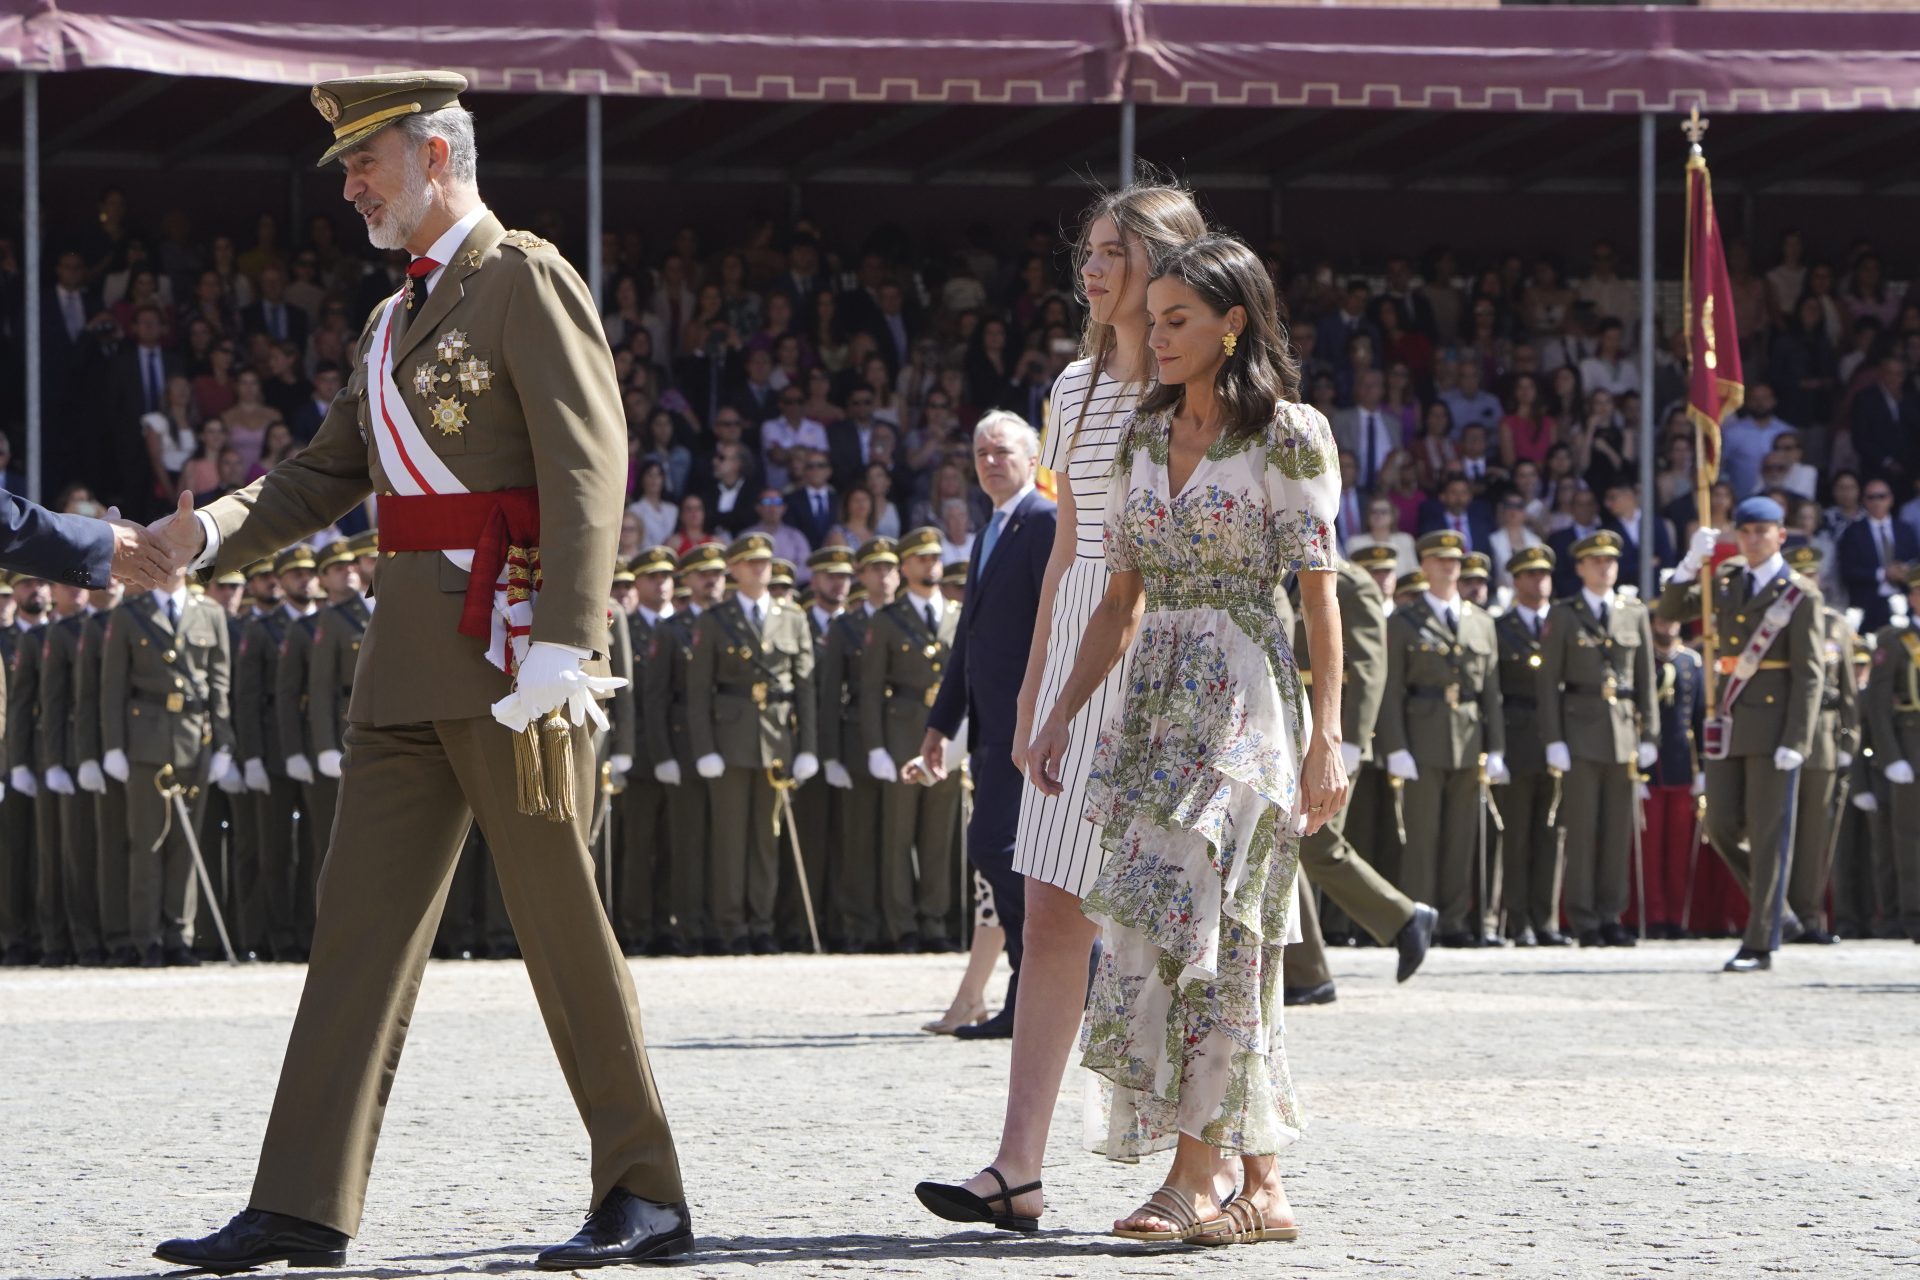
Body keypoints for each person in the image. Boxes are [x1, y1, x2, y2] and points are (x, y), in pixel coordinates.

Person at [150, 72, 692, 1272]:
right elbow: (320, 476)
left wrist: (566, 639)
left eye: (365, 162)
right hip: (404, 664)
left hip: (510, 658)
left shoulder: (526, 280)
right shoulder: (389, 322)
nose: (348, 187)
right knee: (355, 932)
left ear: (437, 155)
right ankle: (303, 1198)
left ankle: (645, 1189)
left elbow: (588, 462)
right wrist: (203, 536)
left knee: (562, 925)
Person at [1024, 233, 1343, 1244]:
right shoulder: (1139, 437)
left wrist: (1330, 737)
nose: (1153, 338)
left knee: (1210, 923)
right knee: (1209, 937)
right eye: (1149, 319)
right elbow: (1118, 601)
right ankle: (1265, 1186)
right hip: (1152, 701)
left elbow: (1321, 597)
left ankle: (1191, 1180)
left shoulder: (1289, 433)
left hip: (1245, 697)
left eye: (1175, 320)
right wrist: (1062, 711)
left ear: (1231, 322)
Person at [914, 180, 1208, 1238]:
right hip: (1078, 648)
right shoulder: (1076, 384)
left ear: (1167, 262)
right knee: (1049, 908)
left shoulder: (1196, 379)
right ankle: (1016, 1166)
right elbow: (1067, 551)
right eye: (1086, 250)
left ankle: (1214, 1166)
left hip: (1165, 647)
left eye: (1114, 252)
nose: (1091, 269)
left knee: (1181, 922)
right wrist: (1036, 688)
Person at [919, 409, 1057, 1036]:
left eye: (1002, 451)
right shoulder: (991, 530)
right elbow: (968, 645)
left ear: (1032, 459)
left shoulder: (1044, 522)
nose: (990, 461)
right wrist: (939, 728)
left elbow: (1058, 626)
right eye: (980, 453)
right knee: (1003, 853)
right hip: (992, 726)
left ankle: (1053, 980)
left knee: (1002, 850)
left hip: (1030, 724)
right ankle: (1031, 995)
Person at [1656, 496, 1824, 973]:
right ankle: (1780, 914)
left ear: (1780, 535)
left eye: (1761, 531)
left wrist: (1798, 738)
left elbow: (1809, 675)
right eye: (1745, 530)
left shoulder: (1799, 594)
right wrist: (1690, 563)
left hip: (1774, 729)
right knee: (1721, 825)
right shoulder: (1726, 578)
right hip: (1727, 723)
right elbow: (1669, 610)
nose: (1751, 539)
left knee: (1770, 837)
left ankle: (1759, 942)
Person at [1282, 558, 1437, 1005]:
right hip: (1297, 728)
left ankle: (1404, 919)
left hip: (1336, 735)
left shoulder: (1349, 582)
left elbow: (1369, 669)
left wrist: (1350, 741)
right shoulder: (1281, 568)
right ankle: (1306, 973)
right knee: (1295, 843)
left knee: (1316, 841)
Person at [687, 532, 818, 954]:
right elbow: (698, 691)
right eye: (751, 562)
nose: (760, 568)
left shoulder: (792, 617)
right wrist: (705, 747)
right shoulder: (715, 619)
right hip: (729, 740)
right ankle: (731, 926)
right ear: (735, 570)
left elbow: (806, 689)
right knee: (729, 839)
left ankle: (761, 923)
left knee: (767, 837)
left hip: (777, 740)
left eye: (765, 561)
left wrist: (809, 747)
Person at [100, 562, 232, 967]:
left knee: (186, 845)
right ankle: (147, 938)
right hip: (146, 740)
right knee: (148, 842)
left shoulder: (209, 612)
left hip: (194, 738)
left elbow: (219, 683)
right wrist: (114, 747)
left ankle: (180, 935)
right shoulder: (130, 613)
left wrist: (225, 743)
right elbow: (113, 686)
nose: (170, 568)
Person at [1380, 530, 1506, 949]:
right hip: (1422, 737)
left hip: (1469, 739)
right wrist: (1394, 745)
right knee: (1422, 836)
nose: (1450, 567)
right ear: (1424, 566)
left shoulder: (1481, 621)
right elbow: (1391, 687)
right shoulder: (1403, 622)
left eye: (1455, 560)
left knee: (1461, 835)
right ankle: (1421, 918)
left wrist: (1498, 746)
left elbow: (1491, 690)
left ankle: (1454, 921)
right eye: (1440, 560)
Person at [1539, 532, 1658, 947]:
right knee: (1584, 829)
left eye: (1610, 561)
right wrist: (1554, 738)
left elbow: (1646, 677)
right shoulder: (1565, 614)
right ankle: (1584, 918)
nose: (1605, 567)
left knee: (1617, 831)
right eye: (1596, 561)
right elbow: (1548, 682)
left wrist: (1650, 733)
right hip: (1579, 731)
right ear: (1581, 568)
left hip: (1623, 731)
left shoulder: (1634, 612)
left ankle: (1612, 915)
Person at [862, 526, 963, 951]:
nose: (931, 564)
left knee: (938, 834)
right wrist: (875, 746)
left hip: (950, 734)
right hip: (903, 729)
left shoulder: (958, 615)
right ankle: (900, 923)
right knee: (900, 834)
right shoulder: (888, 619)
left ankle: (935, 920)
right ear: (904, 566)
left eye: (935, 556)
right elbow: (870, 687)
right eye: (921, 558)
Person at [819, 537, 899, 952]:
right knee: (858, 839)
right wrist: (830, 754)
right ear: (862, 576)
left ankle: (894, 923)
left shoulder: (906, 619)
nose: (884, 577)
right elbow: (832, 693)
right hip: (855, 743)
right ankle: (857, 925)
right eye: (875, 569)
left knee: (897, 840)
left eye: (890, 569)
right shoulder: (845, 625)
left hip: (899, 741)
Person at [1493, 546, 1568, 946]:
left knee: (1552, 833)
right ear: (1516, 581)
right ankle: (1517, 920)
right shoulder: (1501, 628)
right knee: (1518, 833)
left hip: (1557, 737)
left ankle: (1547, 919)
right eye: (1530, 574)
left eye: (1544, 573)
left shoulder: (1562, 623)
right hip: (1518, 733)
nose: (1539, 580)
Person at [1783, 543, 1856, 946]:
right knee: (1777, 831)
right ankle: (1778, 913)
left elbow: (1846, 689)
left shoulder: (1834, 624)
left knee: (1815, 834)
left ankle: (1808, 916)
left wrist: (1850, 737)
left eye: (1813, 576)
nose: (1809, 583)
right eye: (1801, 576)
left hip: (1824, 735)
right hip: (1783, 733)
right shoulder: (1774, 621)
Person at [1862, 573, 1920, 942]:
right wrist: (1891, 756)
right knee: (1910, 839)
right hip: (1911, 747)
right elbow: (1878, 706)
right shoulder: (1895, 640)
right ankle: (1912, 915)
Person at [1837, 477, 1918, 633]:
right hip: (1869, 607)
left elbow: (1916, 560)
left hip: (1904, 602)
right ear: (1864, 501)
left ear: (1891, 499)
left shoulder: (1904, 529)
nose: (1877, 501)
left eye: (1882, 496)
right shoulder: (1853, 532)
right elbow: (1847, 571)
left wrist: (1905, 571)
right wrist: (1883, 574)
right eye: (1871, 497)